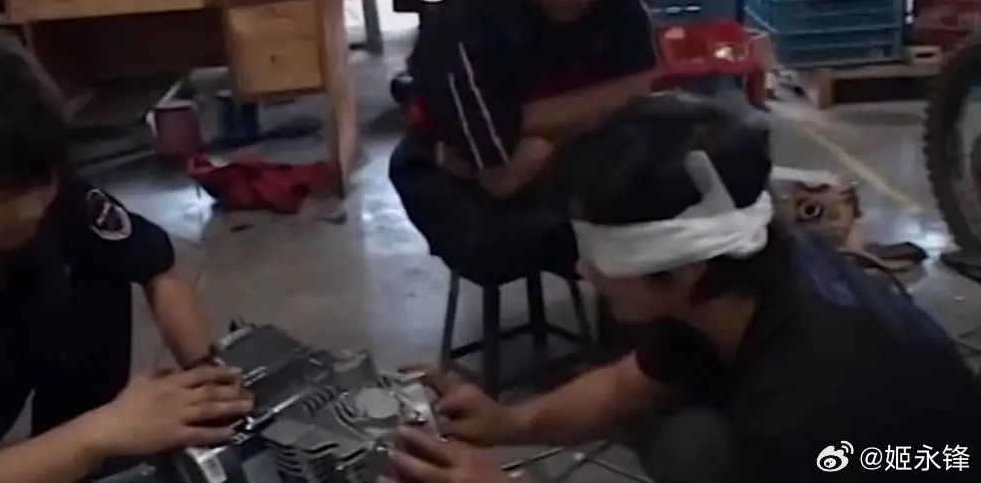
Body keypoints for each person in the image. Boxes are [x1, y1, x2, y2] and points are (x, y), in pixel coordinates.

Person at [388, 93, 981, 483]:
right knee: (678, 432)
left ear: (682, 269)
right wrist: (509, 424)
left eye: (599, 255)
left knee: (696, 449)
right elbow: (627, 387)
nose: (582, 271)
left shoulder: (803, 414)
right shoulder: (735, 283)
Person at [0, 27, 252, 482]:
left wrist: (207, 379)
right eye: (3, 197)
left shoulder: (42, 183)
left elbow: (157, 268)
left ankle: (76, 462)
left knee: (98, 259)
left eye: (42, 182)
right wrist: (101, 432)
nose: (32, 209)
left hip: (1, 384)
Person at [389, 0, 657, 282]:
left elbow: (637, 91)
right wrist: (594, 112)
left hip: (525, 160)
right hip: (454, 185)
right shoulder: (467, 11)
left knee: (653, 211)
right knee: (511, 241)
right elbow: (500, 177)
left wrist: (518, 126)